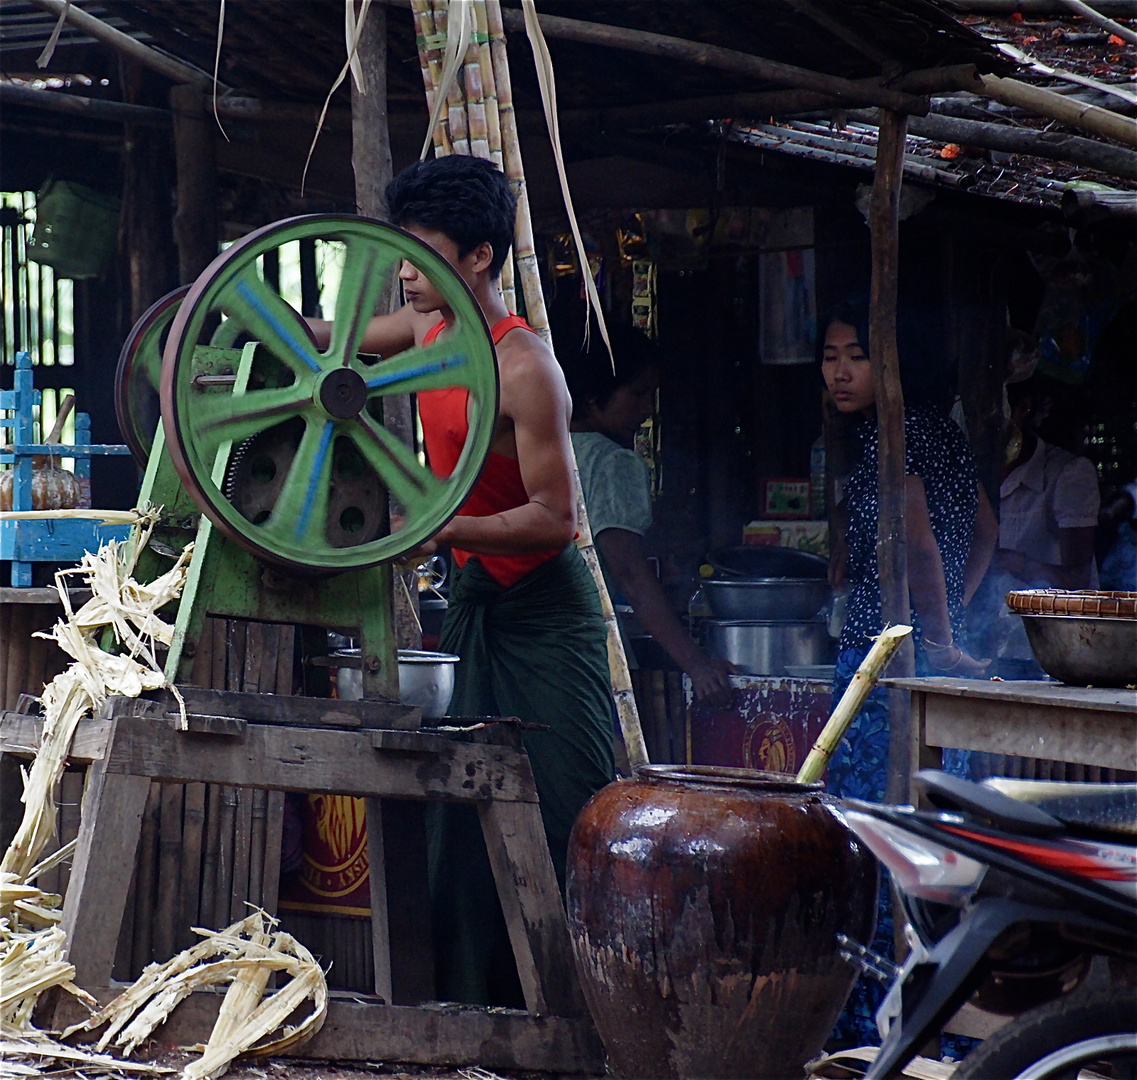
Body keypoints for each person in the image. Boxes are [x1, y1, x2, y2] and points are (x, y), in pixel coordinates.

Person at [312, 155, 615, 1006]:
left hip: (547, 615)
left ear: (478, 256)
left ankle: (591, 1014)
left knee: (571, 807)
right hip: (478, 605)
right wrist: (222, 311)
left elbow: (556, 520)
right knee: (465, 816)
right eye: (400, 253)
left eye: (422, 254)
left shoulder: (524, 367)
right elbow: (325, 348)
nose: (405, 272)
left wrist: (436, 525)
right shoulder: (423, 334)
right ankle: (481, 1013)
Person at [820, 297, 996, 1048]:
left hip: (883, 674)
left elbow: (920, 541)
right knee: (921, 852)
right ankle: (930, 1028)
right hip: (902, 664)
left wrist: (941, 632)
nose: (838, 371)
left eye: (856, 355)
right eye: (829, 356)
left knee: (875, 848)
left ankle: (886, 1030)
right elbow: (983, 528)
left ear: (894, 361)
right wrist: (954, 613)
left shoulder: (903, 436)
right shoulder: (931, 430)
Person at [562, 321, 734, 707]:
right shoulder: (613, 463)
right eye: (637, 394)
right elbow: (631, 573)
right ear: (592, 396)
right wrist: (698, 666)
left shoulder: (547, 446)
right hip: (587, 649)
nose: (646, 408)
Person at [970, 373, 1101, 672]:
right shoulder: (970, 471)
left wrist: (1012, 563)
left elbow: (1078, 582)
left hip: (1049, 652)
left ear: (1023, 408)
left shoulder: (1067, 473)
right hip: (984, 646)